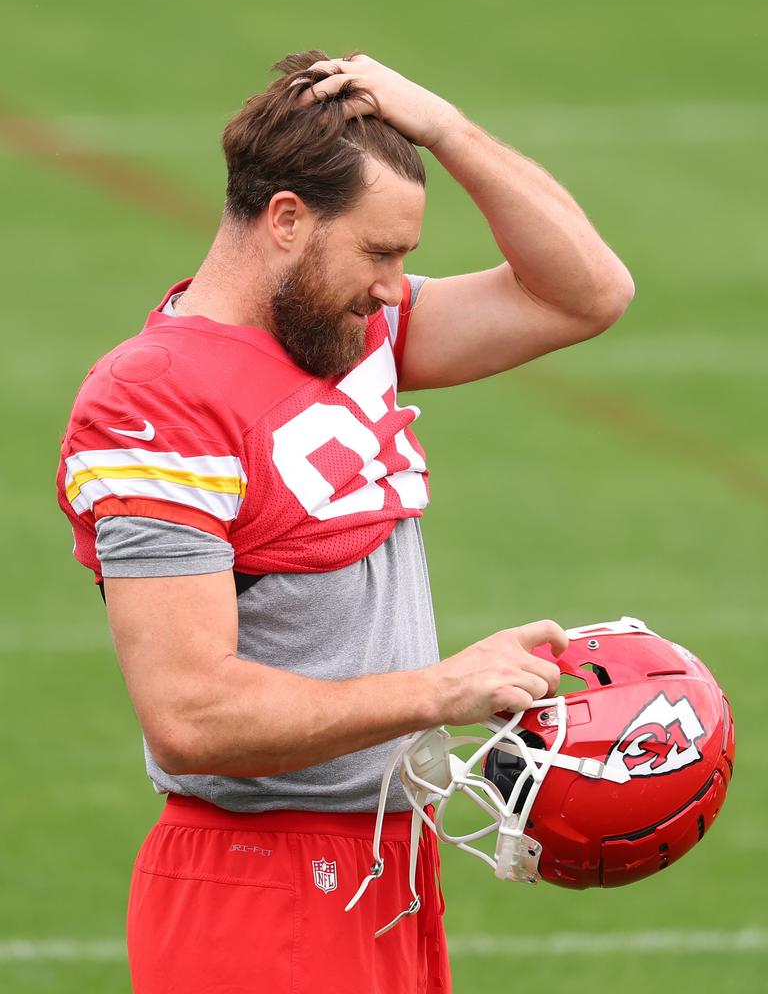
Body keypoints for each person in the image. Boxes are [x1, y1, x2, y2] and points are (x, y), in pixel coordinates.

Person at [56, 51, 634, 993]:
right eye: (380, 252)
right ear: (287, 219)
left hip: (384, 869)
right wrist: (438, 690)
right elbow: (190, 715)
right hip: (257, 886)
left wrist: (443, 128)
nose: (394, 286)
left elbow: (586, 293)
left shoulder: (347, 337)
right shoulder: (153, 401)